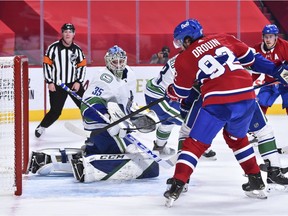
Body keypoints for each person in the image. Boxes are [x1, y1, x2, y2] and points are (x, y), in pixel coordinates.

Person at [163, 18, 288, 206]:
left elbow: (181, 92)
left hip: (217, 101)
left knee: (195, 143)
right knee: (238, 138)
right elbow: (253, 59)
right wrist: (277, 71)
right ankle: (257, 180)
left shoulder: (184, 57)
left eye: (181, 42)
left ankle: (178, 184)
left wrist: (170, 92)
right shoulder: (223, 38)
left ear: (187, 40)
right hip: (246, 96)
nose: (181, 46)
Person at [29, 45, 160, 181]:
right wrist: (108, 119)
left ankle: (54, 159)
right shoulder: (103, 78)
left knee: (110, 151)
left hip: (114, 127)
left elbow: (127, 104)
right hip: (101, 126)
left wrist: (138, 116)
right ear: (108, 61)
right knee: (144, 163)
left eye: (121, 61)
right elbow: (88, 106)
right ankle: (89, 166)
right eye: (115, 62)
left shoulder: (130, 74)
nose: (119, 65)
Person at [144, 54, 216, 159]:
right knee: (188, 121)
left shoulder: (184, 56)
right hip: (159, 96)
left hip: (158, 92)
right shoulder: (190, 60)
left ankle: (159, 147)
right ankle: (193, 150)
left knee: (168, 122)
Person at [35, 23, 87, 138]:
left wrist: (78, 81)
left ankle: (90, 127)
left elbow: (82, 66)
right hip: (57, 84)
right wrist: (49, 82)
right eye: (65, 31)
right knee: (56, 111)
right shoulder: (53, 48)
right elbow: (47, 65)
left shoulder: (78, 50)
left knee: (85, 107)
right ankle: (41, 127)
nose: (68, 34)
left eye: (70, 31)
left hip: (74, 84)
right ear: (62, 33)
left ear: (74, 34)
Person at [253, 24, 288, 115]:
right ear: (262, 37)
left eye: (271, 37)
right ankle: (258, 129)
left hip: (285, 83)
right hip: (269, 83)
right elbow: (255, 70)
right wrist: (248, 82)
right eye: (266, 37)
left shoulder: (284, 46)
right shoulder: (256, 49)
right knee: (260, 106)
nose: (268, 39)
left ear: (276, 37)